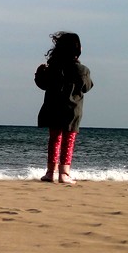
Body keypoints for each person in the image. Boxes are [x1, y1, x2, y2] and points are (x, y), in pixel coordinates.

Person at [35, 32, 93, 184]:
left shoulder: (53, 67)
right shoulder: (82, 70)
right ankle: (64, 174)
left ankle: (50, 172)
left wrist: (39, 73)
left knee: (54, 139)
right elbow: (87, 87)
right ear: (77, 49)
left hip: (53, 107)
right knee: (68, 141)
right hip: (72, 109)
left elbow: (42, 84)